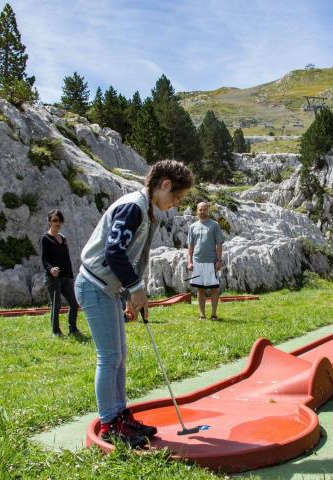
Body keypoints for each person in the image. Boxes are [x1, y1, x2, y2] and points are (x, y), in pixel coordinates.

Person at [74, 160, 193, 448]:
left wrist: (129, 294)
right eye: (176, 197)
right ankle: (109, 423)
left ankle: (119, 416)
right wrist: (136, 290)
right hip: (95, 286)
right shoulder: (133, 207)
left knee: (119, 355)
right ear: (164, 185)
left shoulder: (145, 209)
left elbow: (127, 257)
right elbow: (114, 252)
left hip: (109, 289)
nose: (175, 203)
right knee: (109, 356)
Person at [40, 209, 80, 337]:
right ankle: (56, 331)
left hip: (65, 277)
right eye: (55, 220)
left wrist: (70, 276)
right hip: (53, 278)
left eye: (59, 220)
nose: (57, 223)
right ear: (49, 222)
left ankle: (73, 329)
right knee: (56, 305)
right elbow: (44, 259)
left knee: (74, 303)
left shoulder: (63, 238)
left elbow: (66, 258)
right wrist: (51, 269)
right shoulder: (45, 239)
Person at [187, 202, 224, 321]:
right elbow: (190, 247)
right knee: (200, 289)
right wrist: (189, 261)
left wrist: (218, 260)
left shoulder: (215, 225)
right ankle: (202, 314)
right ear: (196, 211)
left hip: (211, 262)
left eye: (204, 209)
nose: (202, 212)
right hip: (197, 261)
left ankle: (214, 314)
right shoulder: (193, 227)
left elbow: (219, 244)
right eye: (200, 210)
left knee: (214, 288)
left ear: (208, 211)